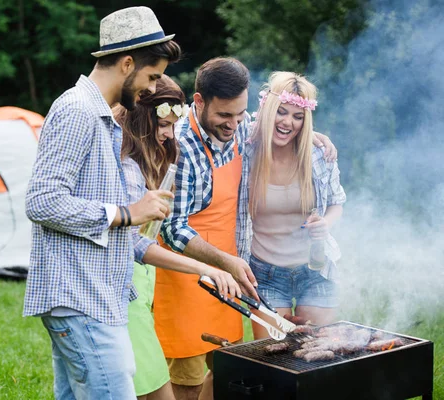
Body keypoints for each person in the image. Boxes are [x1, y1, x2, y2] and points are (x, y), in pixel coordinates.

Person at [23, 7, 182, 399]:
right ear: (127, 63)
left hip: (96, 297)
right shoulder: (77, 110)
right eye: (151, 76)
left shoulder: (102, 116)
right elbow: (42, 201)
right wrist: (129, 213)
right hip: (80, 298)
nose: (151, 88)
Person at [157, 58, 338, 400]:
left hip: (230, 274)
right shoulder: (182, 148)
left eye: (240, 114)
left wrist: (312, 134)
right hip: (187, 279)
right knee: (188, 378)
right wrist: (225, 262)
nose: (234, 123)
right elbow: (172, 229)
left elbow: (271, 123)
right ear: (199, 102)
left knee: (227, 368)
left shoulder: (240, 127)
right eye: (225, 115)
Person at [114, 75, 242, 400]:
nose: (171, 135)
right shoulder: (129, 168)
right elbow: (138, 243)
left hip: (143, 289)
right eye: (165, 125)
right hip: (129, 295)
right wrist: (209, 268)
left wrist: (313, 136)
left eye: (173, 124)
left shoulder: (153, 155)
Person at [240, 71, 346, 338]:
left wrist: (325, 224)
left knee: (317, 353)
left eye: (298, 117)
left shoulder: (318, 155)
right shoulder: (246, 150)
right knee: (271, 358)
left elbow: (336, 203)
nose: (288, 122)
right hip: (264, 273)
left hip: (315, 269)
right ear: (267, 108)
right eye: (282, 112)